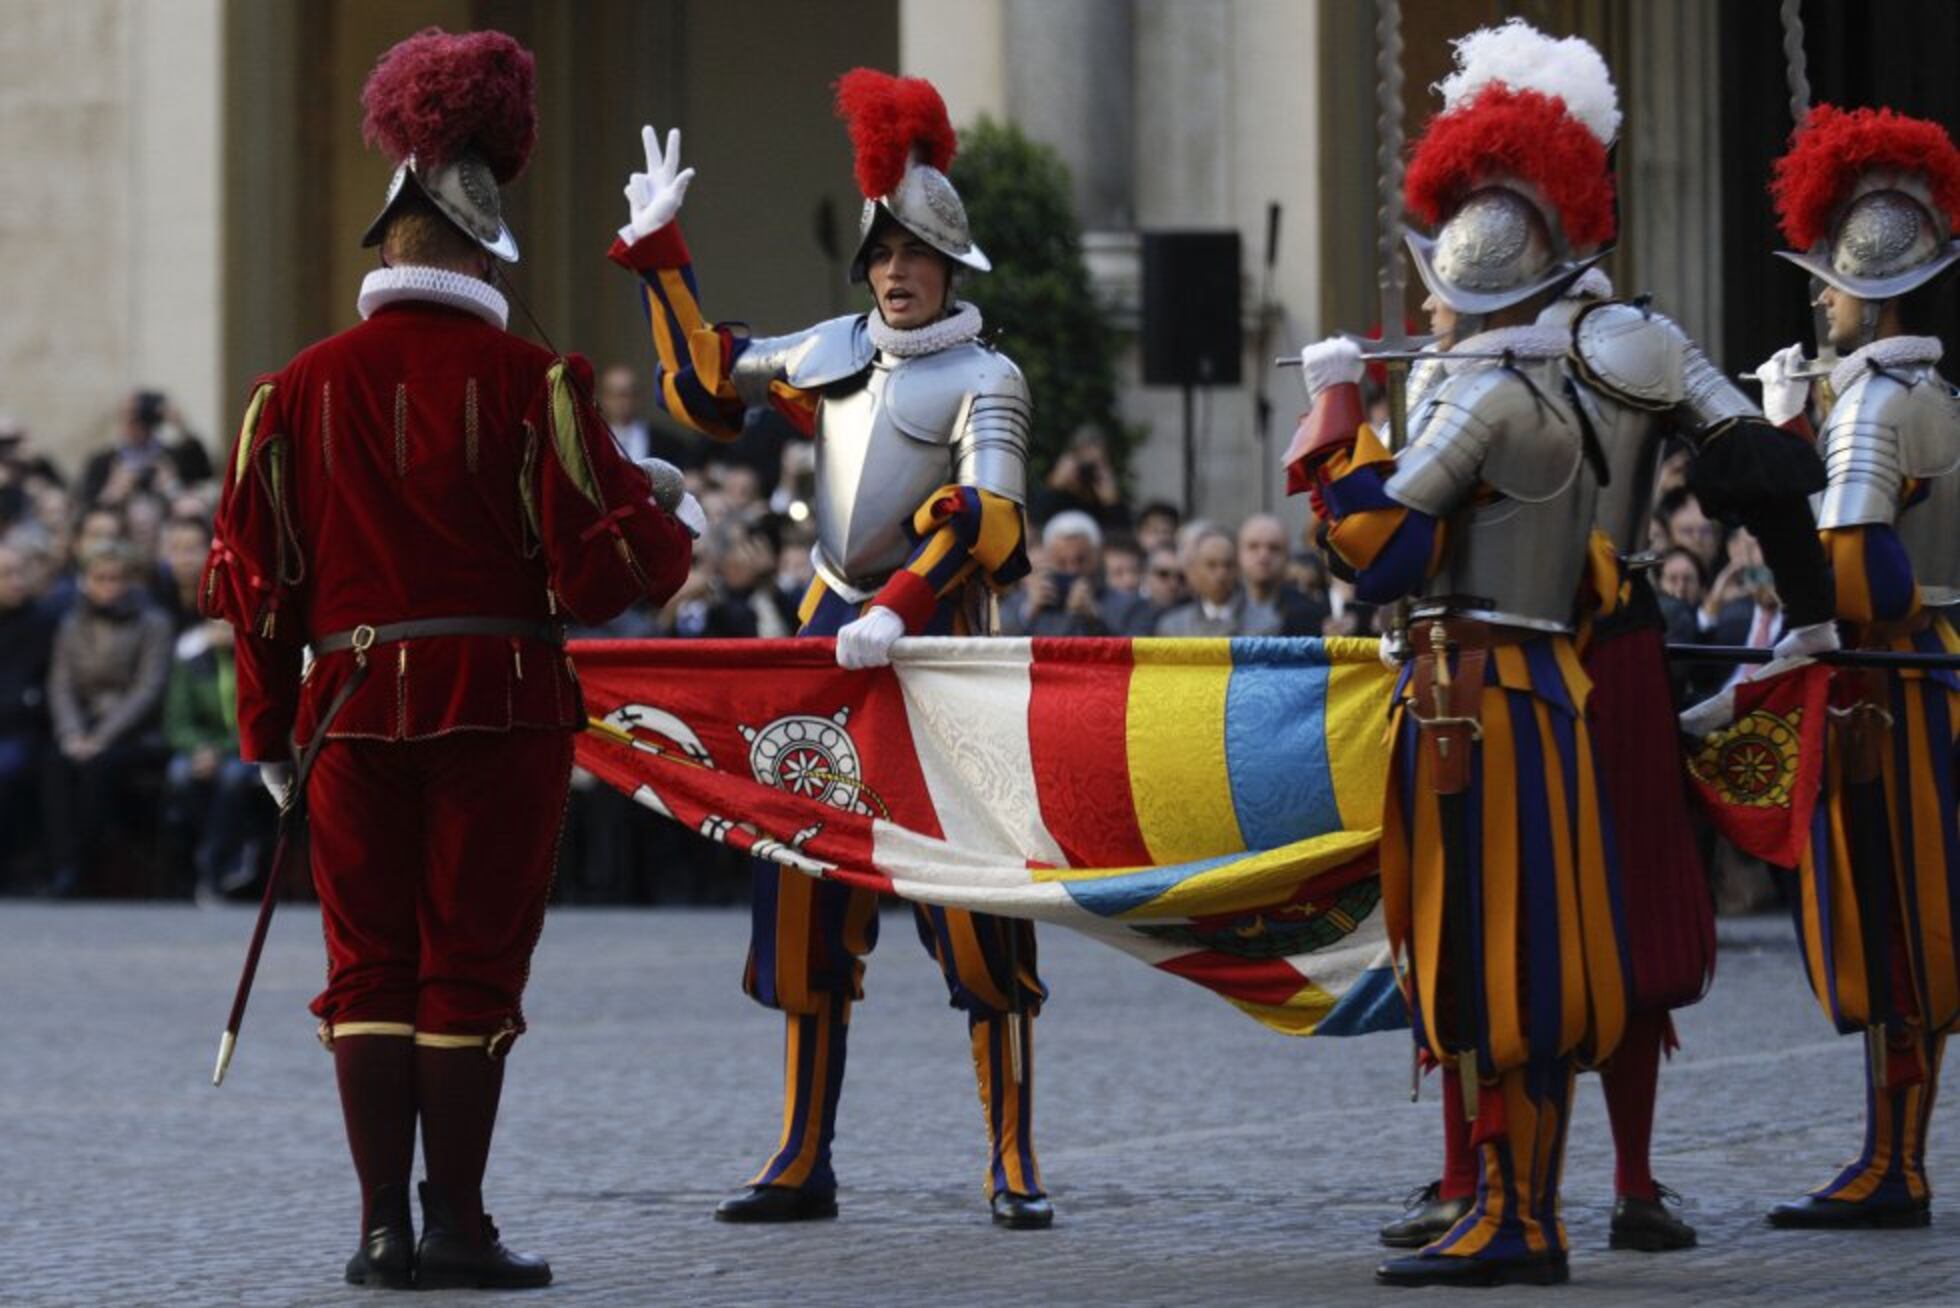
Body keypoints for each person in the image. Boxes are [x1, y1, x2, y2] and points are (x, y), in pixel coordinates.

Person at [202, 30, 694, 1290]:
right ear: (484, 250)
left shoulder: (289, 392)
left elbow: (257, 589)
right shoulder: (537, 383)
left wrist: (265, 733)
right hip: (502, 708)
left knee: (367, 963)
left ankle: (379, 1231)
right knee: (467, 962)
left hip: (344, 714)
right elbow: (603, 575)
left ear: (389, 245)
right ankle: (457, 1224)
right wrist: (669, 523)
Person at [609, 69, 1051, 1230]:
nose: (896, 271)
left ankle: (1011, 1157)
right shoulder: (837, 352)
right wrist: (662, 254)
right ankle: (802, 1155)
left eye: (915, 253)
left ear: (951, 266)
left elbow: (987, 521)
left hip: (936, 646)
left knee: (974, 905)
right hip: (824, 637)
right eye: (882, 253)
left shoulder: (986, 376)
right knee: (800, 884)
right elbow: (711, 383)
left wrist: (903, 604)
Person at [1287, 26, 1634, 1285]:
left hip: (1485, 697)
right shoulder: (1555, 383)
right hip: (1510, 687)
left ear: (1478, 286)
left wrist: (1334, 427)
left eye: (1436, 281)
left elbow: (1378, 555)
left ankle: (1521, 1216)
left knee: (1506, 960)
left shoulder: (1491, 394)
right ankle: (1507, 1202)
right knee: (1496, 957)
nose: (1423, 299)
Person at [1748, 104, 1960, 1231]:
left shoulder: (1872, 406)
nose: (1816, 301)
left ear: (1867, 295)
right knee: (1907, 925)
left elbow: (1855, 574)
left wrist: (1787, 445)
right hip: (1931, 676)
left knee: (1889, 925)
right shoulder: (1924, 394)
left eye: (1825, 287)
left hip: (1889, 688)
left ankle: (1896, 1163)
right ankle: (1894, 1152)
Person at [41, 540, 171, 897]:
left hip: (133, 731)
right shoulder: (71, 622)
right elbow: (61, 684)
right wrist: (72, 735)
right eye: (100, 578)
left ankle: (89, 867)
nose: (109, 586)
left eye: (117, 578)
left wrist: (101, 738)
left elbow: (148, 688)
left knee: (98, 770)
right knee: (54, 765)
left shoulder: (153, 622)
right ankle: (62, 867)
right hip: (81, 726)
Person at [0, 541, 58, 890]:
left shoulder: (42, 622)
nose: (17, 581)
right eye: (7, 575)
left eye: (20, 573)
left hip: (22, 731)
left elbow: (37, 691)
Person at [1001, 511, 1140, 636]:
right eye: (1062, 562)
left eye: (1081, 560)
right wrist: (1029, 612)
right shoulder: (1020, 603)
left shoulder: (1128, 606)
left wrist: (1095, 619)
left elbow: (1132, 652)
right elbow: (1000, 645)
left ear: (1097, 557)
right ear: (1048, 559)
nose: (1072, 569)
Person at [79, 389, 212, 507]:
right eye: (130, 418)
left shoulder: (171, 458)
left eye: (141, 419)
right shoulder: (103, 462)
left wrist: (181, 425)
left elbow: (205, 474)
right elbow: (85, 505)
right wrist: (112, 493)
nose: (136, 426)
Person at [1157, 527, 1277, 637]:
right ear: (1195, 570)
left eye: (1228, 565)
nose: (1221, 574)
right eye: (1211, 565)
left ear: (1238, 569)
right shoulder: (1173, 626)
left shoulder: (1266, 623)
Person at [1237, 514, 1327, 636]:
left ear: (1287, 555)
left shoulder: (1311, 613)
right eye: (1253, 547)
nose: (1263, 556)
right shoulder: (1222, 609)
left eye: (1274, 548)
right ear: (1238, 553)